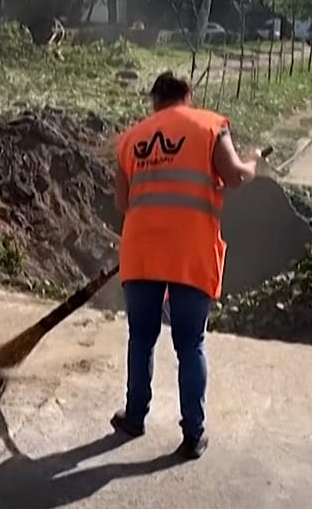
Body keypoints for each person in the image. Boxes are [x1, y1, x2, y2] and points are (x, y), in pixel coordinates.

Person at [110, 71, 262, 460]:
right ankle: (193, 433)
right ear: (188, 95)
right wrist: (253, 161)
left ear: (154, 99)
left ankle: (134, 416)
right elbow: (234, 178)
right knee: (190, 343)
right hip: (189, 251)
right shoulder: (211, 126)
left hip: (142, 250)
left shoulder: (130, 139)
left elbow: (123, 204)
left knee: (141, 337)